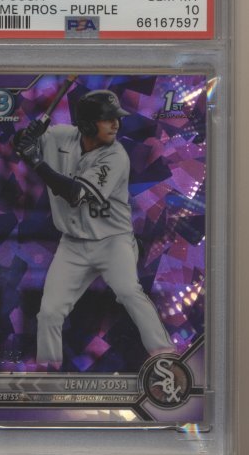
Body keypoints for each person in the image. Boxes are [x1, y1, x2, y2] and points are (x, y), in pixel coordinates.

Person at [13, 89, 173, 370]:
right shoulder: (61, 135)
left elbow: (75, 194)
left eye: (116, 118)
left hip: (113, 241)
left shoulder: (116, 156)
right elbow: (21, 143)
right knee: (49, 312)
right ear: (87, 124)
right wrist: (26, 136)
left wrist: (36, 161)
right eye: (108, 119)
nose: (116, 124)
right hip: (73, 243)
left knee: (129, 292)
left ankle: (166, 357)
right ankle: (47, 372)